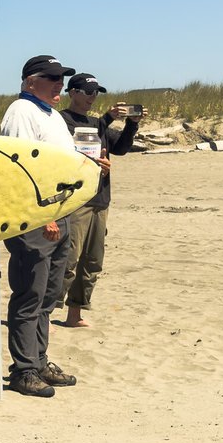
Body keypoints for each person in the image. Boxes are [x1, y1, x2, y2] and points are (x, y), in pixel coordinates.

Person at [0, 55, 82, 397]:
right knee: (30, 293)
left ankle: (39, 359)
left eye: (61, 78)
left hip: (63, 211)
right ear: (30, 80)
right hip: (36, 217)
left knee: (48, 295)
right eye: (52, 78)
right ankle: (24, 369)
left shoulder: (51, 115)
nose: (58, 84)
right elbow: (20, 169)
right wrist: (40, 215)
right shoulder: (21, 111)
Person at [57, 73, 140, 327]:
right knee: (68, 260)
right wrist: (107, 119)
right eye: (88, 92)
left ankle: (75, 314)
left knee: (91, 263)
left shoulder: (97, 123)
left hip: (100, 199)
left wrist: (131, 125)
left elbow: (121, 148)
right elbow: (76, 147)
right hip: (76, 201)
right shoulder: (61, 120)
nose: (93, 97)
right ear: (73, 93)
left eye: (97, 93)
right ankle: (45, 312)